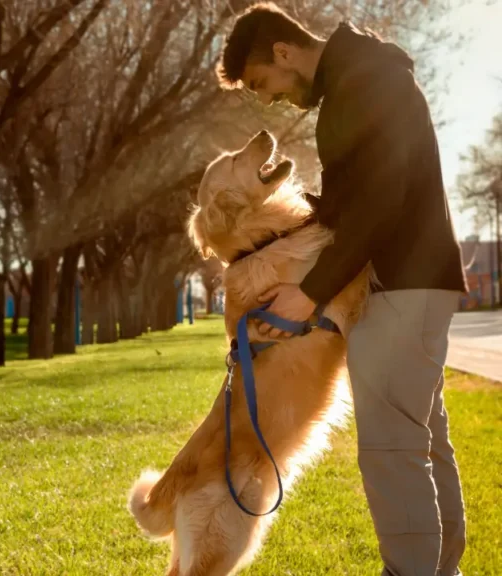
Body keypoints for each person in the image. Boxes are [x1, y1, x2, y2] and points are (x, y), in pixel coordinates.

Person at [215, 4, 469, 575]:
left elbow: (381, 200)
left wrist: (310, 291)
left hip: (401, 282)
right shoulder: (357, 79)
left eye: (264, 84)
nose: (271, 98)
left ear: (284, 52)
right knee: (422, 442)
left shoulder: (365, 80)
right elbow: (354, 204)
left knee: (391, 451)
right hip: (406, 280)